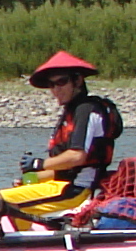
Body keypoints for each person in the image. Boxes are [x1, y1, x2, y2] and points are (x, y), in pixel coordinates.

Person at [19, 51, 122, 206]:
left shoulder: (86, 110)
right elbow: (64, 171)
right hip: (63, 185)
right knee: (3, 199)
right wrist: (31, 178)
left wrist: (38, 164)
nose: (56, 90)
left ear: (78, 80)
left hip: (77, 190)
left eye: (61, 82)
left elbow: (76, 157)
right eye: (51, 85)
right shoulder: (71, 112)